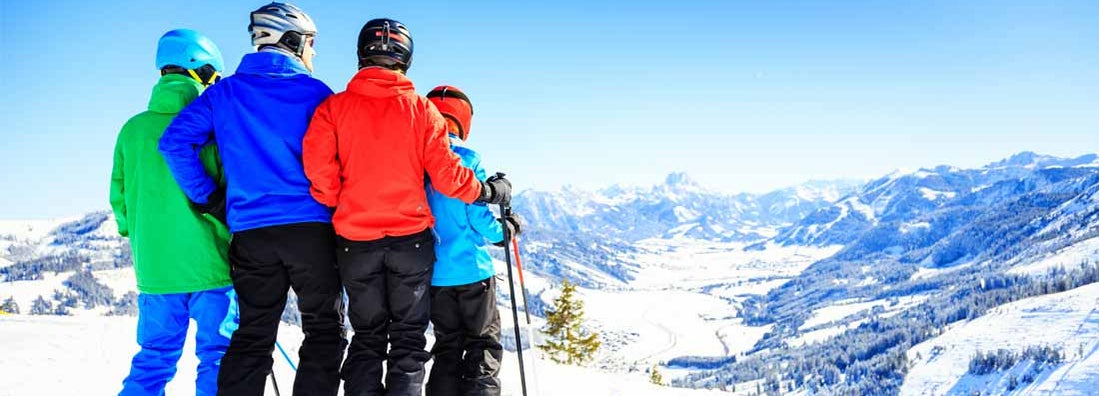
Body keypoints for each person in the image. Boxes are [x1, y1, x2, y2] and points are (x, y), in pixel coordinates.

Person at [301, 18, 512, 396]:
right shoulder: (421, 111)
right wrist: (487, 191)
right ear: (406, 58)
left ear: (362, 53)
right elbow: (449, 178)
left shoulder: (333, 109)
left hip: (355, 239)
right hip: (410, 242)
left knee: (367, 337)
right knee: (408, 340)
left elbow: (318, 172)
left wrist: (342, 201)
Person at [158, 3, 345, 396]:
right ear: (292, 40)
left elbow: (174, 142)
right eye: (311, 43)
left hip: (251, 235)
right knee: (324, 332)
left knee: (252, 336)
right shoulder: (318, 94)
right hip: (311, 231)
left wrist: (210, 198)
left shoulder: (224, 93)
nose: (313, 52)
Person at [111, 28, 234, 396]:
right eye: (212, 75)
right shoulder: (212, 126)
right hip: (212, 266)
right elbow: (231, 189)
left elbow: (120, 200)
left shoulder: (131, 131)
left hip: (157, 269)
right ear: (200, 68)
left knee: (154, 357)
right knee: (218, 356)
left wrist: (145, 235)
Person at [422, 85, 520, 396]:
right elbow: (477, 214)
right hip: (473, 272)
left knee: (447, 346)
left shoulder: (417, 160)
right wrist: (505, 231)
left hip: (435, 275)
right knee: (483, 346)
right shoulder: (466, 159)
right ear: (463, 121)